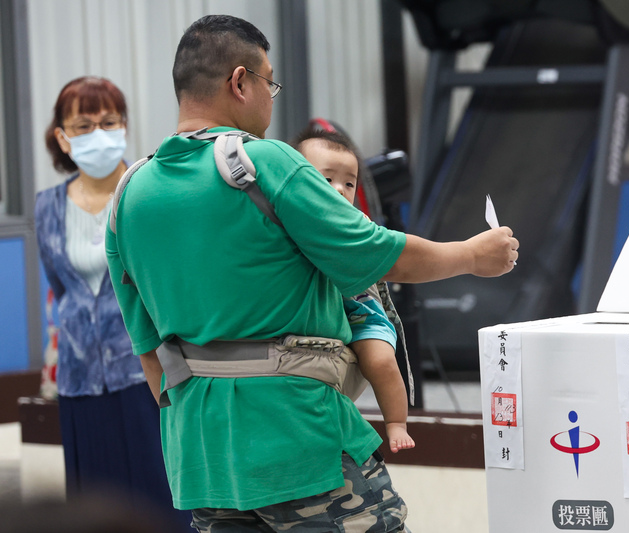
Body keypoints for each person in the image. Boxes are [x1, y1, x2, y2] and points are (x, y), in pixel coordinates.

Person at [106, 14, 518, 532]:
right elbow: (378, 253)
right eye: (269, 81)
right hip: (302, 443)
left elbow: (150, 354)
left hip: (203, 459)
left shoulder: (129, 196)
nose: (272, 99)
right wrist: (472, 256)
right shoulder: (264, 164)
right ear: (239, 81)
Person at [34, 76, 193, 532]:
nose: (98, 133)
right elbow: (61, 292)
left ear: (124, 126)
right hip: (80, 383)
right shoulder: (47, 207)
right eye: (83, 124)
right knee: (93, 508)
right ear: (62, 136)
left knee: (161, 503)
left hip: (148, 373)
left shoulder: (148, 189)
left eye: (108, 121)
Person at [293, 126, 415, 454]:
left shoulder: (354, 223)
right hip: (321, 321)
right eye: (327, 178)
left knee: (380, 362)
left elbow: (388, 254)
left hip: (363, 316)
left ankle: (396, 422)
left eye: (349, 182)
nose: (340, 189)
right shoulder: (288, 222)